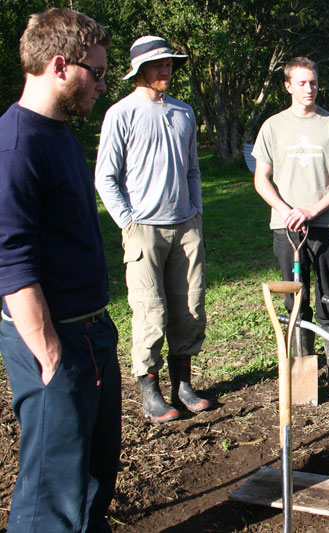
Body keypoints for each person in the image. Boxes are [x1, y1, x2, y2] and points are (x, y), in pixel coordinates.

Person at [0, 8, 121, 531]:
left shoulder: (58, 132)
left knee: (94, 473)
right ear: (60, 66)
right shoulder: (17, 145)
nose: (101, 83)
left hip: (90, 332)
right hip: (57, 340)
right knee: (53, 489)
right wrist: (49, 353)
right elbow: (11, 262)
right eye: (96, 71)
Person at [95, 35, 210, 423]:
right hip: (143, 228)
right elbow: (105, 178)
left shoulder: (184, 113)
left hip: (186, 227)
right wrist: (128, 223)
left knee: (190, 305)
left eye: (170, 63)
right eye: (159, 64)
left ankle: (183, 385)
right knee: (150, 311)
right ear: (139, 70)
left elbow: (193, 169)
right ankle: (150, 392)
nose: (167, 69)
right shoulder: (121, 113)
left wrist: (195, 211)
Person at [252, 57, 329, 387]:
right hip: (287, 228)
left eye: (312, 82)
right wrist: (286, 210)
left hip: (327, 227)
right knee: (296, 298)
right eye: (301, 83)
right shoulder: (272, 127)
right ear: (288, 86)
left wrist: (312, 211)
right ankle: (303, 372)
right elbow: (261, 179)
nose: (308, 88)